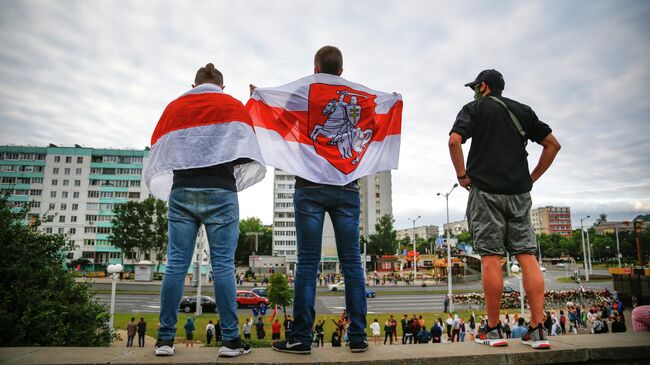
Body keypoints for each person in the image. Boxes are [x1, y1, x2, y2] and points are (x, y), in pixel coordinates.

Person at [265, 46, 383, 355]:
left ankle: (302, 338)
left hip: (310, 186)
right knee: (353, 264)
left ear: (316, 67)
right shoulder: (357, 97)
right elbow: (372, 127)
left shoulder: (306, 90)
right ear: (342, 71)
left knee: (306, 262)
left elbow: (281, 119)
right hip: (346, 186)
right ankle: (357, 336)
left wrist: (262, 98)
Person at [147, 63, 264, 357]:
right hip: (221, 191)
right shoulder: (232, 106)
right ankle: (231, 341)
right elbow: (246, 149)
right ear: (222, 86)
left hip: (182, 191)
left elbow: (161, 149)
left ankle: (164, 341)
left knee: (176, 264)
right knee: (223, 265)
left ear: (194, 83)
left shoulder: (174, 107)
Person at [448, 69, 560, 349]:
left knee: (490, 258)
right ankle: (537, 330)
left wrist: (462, 176)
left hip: (485, 193)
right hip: (519, 194)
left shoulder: (473, 108)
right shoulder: (522, 110)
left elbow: (454, 141)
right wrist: (530, 178)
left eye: (476, 86)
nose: (474, 91)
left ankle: (494, 329)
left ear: (483, 86)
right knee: (527, 256)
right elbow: (552, 145)